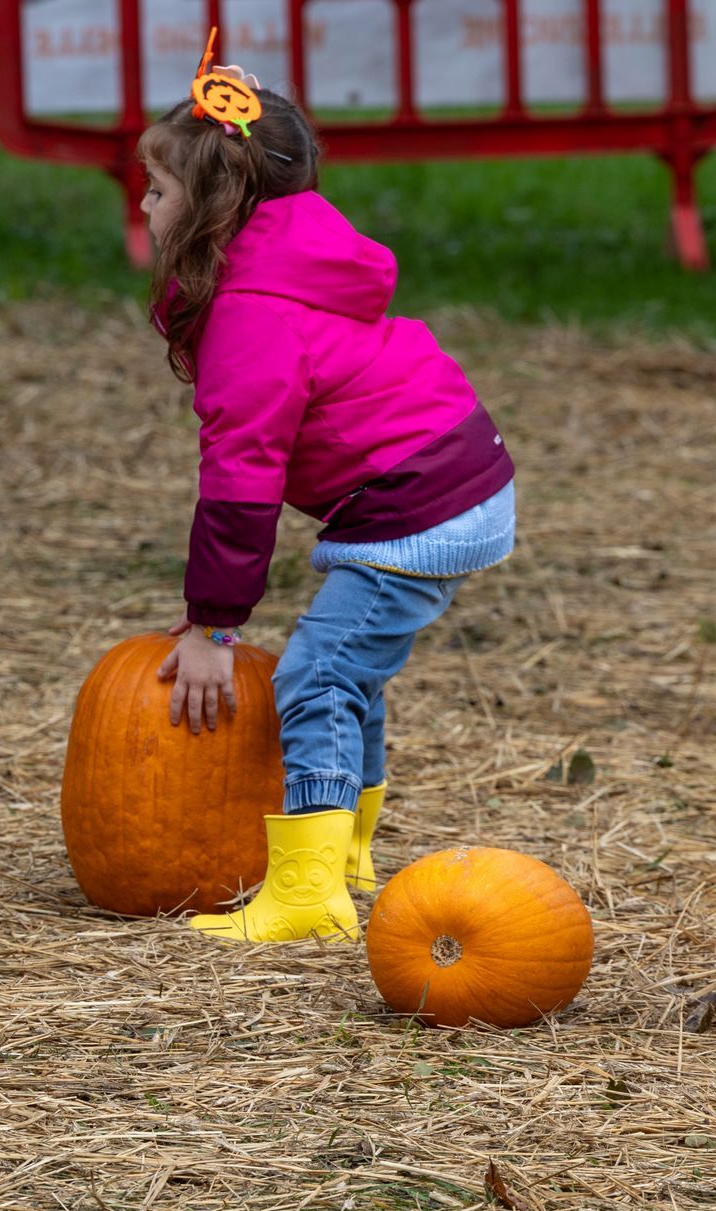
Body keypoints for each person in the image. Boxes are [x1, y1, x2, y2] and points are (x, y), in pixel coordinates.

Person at [139, 47, 516, 942]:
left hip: (420, 498)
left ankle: (309, 895)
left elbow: (241, 481)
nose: (144, 205)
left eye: (157, 189)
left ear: (218, 205)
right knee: (353, 676)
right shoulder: (288, 259)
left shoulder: (256, 313)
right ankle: (346, 856)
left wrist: (212, 627)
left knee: (316, 674)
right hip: (442, 479)